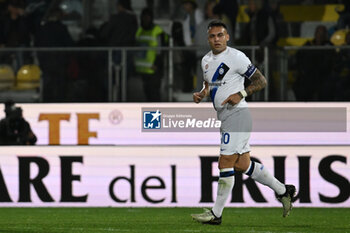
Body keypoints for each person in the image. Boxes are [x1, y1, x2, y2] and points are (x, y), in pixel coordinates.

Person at [191, 20, 296, 225]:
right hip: (226, 117)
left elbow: (261, 81)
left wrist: (241, 93)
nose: (216, 39)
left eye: (220, 35)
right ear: (208, 38)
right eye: (212, 36)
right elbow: (210, 83)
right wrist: (202, 93)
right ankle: (284, 191)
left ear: (227, 36)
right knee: (242, 164)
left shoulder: (236, 57)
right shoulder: (205, 60)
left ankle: (216, 214)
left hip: (237, 114)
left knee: (225, 163)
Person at [135, 8, 168, 102]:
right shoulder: (140, 30)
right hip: (143, 69)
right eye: (143, 17)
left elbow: (161, 50)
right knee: (147, 93)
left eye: (147, 17)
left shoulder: (157, 31)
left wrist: (157, 64)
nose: (145, 20)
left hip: (154, 69)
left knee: (154, 95)